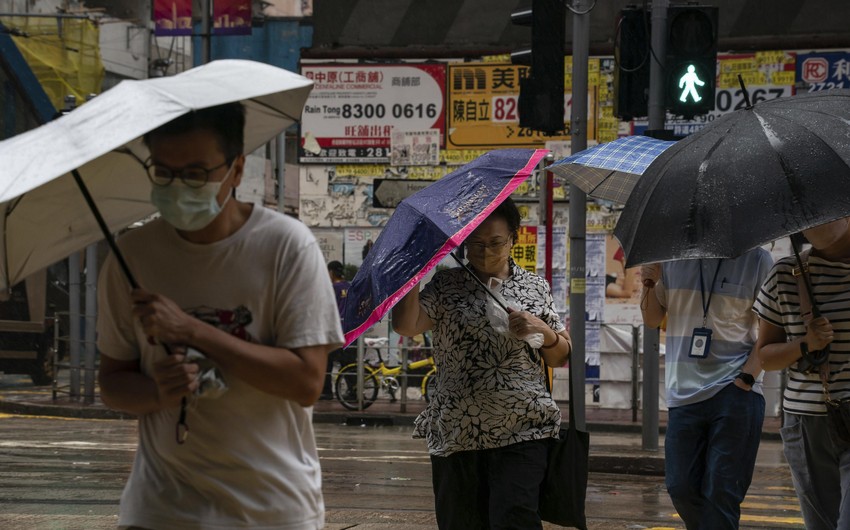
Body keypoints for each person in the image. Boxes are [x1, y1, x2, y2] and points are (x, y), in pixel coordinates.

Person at [96, 102, 344, 529]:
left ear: (236, 169)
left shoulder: (286, 247)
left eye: (195, 173)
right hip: (158, 510)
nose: (178, 187)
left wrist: (193, 330)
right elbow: (113, 382)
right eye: (164, 173)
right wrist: (158, 392)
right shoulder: (131, 256)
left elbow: (306, 382)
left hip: (273, 511)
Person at [392, 197, 571, 529]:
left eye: (495, 243)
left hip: (524, 428)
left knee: (515, 520)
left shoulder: (535, 287)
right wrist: (412, 273)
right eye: (476, 244)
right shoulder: (445, 286)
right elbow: (405, 325)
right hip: (458, 432)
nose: (486, 251)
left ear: (514, 239)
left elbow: (560, 355)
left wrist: (542, 330)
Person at [640, 247, 773, 530]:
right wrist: (649, 284)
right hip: (683, 394)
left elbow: (771, 329)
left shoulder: (757, 260)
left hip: (735, 392)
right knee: (681, 488)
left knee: (722, 492)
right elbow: (652, 319)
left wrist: (746, 379)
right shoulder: (670, 257)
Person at [753, 217, 850, 530]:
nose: (816, 223)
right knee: (821, 523)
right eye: (807, 217)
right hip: (806, 422)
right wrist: (805, 344)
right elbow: (765, 357)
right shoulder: (784, 274)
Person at [321, 260, 356, 399]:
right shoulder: (349, 286)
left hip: (336, 332)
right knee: (348, 365)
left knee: (327, 363)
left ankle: (327, 392)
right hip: (350, 332)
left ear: (331, 272)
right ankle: (353, 392)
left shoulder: (332, 288)